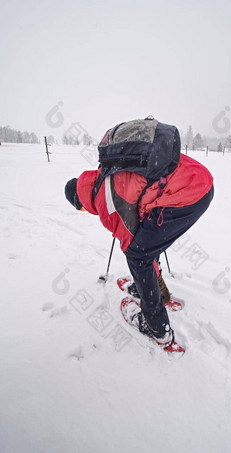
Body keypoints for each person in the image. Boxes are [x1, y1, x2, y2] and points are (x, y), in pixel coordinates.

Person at [65, 135, 214, 349]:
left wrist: (154, 283)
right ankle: (150, 287)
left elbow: (138, 249)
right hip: (196, 177)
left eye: (80, 209)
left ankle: (157, 326)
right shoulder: (105, 171)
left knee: (137, 256)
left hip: (189, 193)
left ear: (81, 201)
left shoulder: (104, 203)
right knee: (146, 241)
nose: (84, 211)